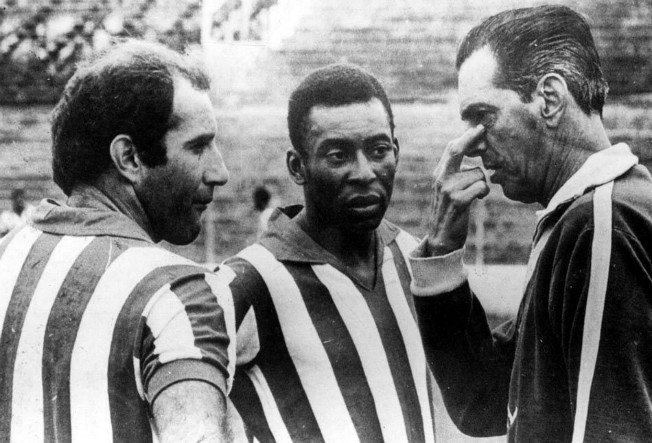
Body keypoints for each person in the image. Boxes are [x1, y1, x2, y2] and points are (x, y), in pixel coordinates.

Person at [410, 5, 652, 442]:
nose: (471, 144)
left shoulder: (600, 223)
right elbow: (484, 399)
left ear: (550, 99)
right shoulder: (587, 214)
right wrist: (442, 252)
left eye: (483, 116)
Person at [0, 40, 235, 442]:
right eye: (198, 146)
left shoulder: (6, 256)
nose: (220, 172)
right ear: (129, 158)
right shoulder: (177, 292)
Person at [219, 64, 436, 442]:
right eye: (338, 156)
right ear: (297, 167)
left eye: (379, 150)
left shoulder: (414, 257)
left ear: (396, 152)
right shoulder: (246, 283)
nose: (365, 172)